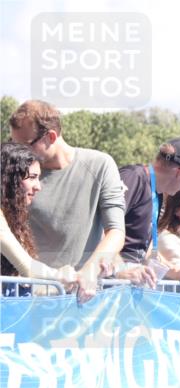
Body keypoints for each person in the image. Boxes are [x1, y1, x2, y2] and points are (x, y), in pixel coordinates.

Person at [8, 100, 126, 301]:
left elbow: (116, 232)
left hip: (80, 297)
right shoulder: (15, 174)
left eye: (24, 145)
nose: (17, 153)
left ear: (51, 137)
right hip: (27, 297)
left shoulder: (99, 165)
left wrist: (89, 273)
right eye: (13, 144)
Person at [0, 142, 76, 289]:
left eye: (38, 178)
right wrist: (61, 276)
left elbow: (24, 285)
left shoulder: (11, 219)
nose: (38, 186)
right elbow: (28, 268)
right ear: (9, 180)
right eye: (32, 177)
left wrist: (65, 288)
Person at [119, 138, 180, 264]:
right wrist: (120, 270)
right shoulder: (133, 178)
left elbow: (142, 250)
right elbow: (101, 229)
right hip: (110, 278)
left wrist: (174, 269)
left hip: (130, 278)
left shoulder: (157, 194)